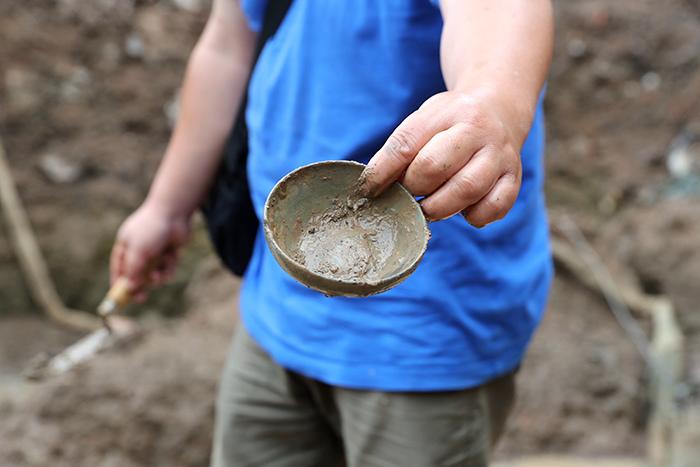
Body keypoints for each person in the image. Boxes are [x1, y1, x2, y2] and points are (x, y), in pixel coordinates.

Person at [110, 0, 554, 465]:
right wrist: (167, 206)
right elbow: (227, 45)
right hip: (278, 305)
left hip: (423, 329)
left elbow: (500, 12)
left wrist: (493, 100)